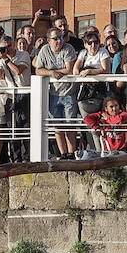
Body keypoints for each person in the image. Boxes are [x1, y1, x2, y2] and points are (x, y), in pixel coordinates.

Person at [33, 28, 81, 159]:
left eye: (61, 37)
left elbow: (69, 69)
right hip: (53, 92)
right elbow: (38, 70)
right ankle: (63, 154)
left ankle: (72, 154)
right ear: (49, 40)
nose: (59, 41)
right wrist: (51, 73)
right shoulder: (44, 50)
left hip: (69, 91)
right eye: (56, 38)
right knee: (57, 125)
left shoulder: (68, 48)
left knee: (70, 124)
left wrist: (53, 70)